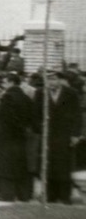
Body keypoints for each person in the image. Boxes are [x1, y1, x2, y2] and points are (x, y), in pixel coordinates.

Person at [35, 71, 82, 204]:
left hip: (64, 135)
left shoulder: (70, 93)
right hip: (48, 135)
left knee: (64, 165)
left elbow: (77, 115)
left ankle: (65, 196)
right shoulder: (41, 93)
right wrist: (40, 128)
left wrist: (75, 134)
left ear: (60, 80)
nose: (51, 82)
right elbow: (36, 114)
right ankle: (50, 194)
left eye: (54, 79)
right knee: (48, 165)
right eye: (48, 79)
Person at [0, 73, 33, 202]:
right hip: (20, 137)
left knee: (5, 166)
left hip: (6, 137)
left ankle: (6, 194)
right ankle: (23, 194)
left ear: (11, 82)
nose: (4, 84)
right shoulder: (26, 98)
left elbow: (6, 119)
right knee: (20, 165)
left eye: (5, 82)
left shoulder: (7, 98)